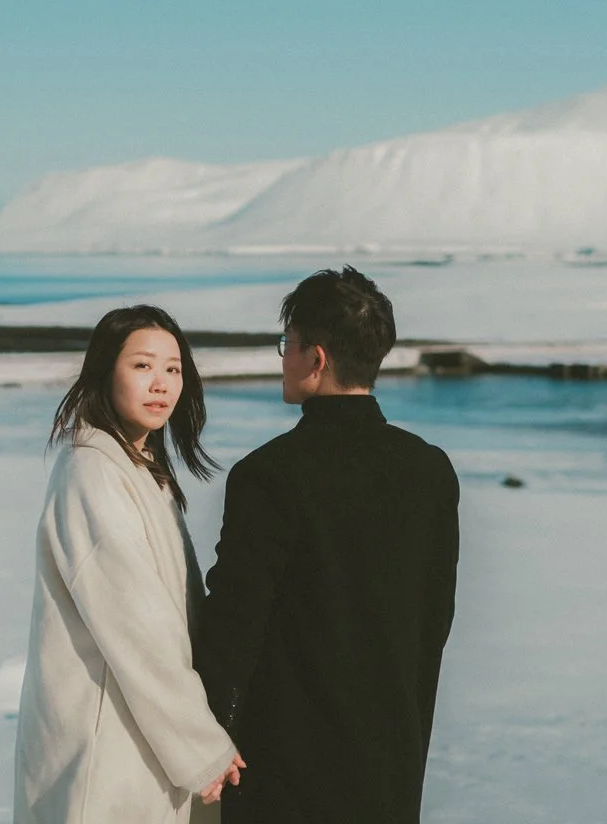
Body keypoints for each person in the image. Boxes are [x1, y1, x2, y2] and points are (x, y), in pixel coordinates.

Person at [195, 266, 460, 824]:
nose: (283, 359)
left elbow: (232, 630)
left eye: (287, 345)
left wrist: (201, 742)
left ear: (316, 359)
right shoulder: (431, 471)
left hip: (283, 772)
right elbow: (433, 626)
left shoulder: (268, 476)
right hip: (391, 764)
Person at [14, 305, 246, 824]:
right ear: (105, 372)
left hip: (139, 733)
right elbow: (138, 625)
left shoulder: (139, 468)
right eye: (142, 366)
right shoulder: (93, 474)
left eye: (173, 369)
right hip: (107, 744)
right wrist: (200, 745)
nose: (161, 384)